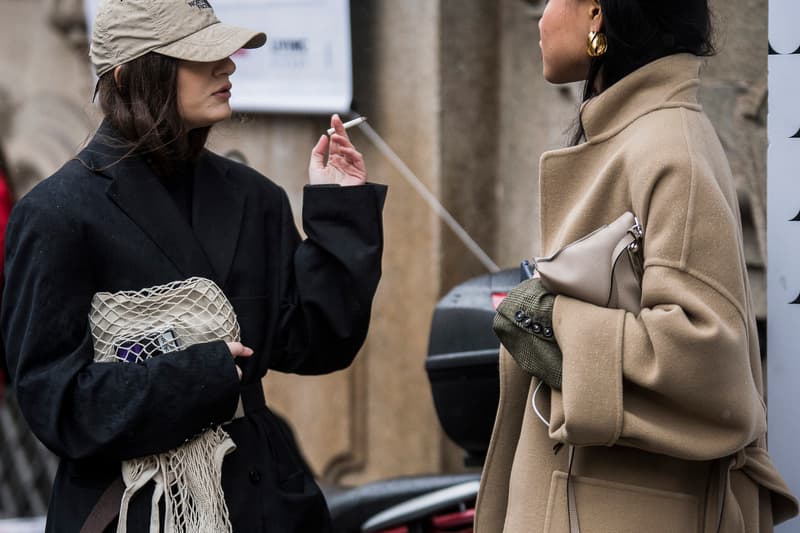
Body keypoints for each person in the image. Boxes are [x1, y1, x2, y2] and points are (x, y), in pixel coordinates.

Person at [0, 0, 386, 531]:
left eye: (225, 54)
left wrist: (340, 213)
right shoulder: (55, 213)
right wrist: (200, 374)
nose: (228, 67)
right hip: (133, 510)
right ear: (132, 73)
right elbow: (56, 405)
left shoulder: (253, 196)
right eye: (200, 58)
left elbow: (318, 342)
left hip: (264, 502)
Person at [475, 1, 798, 532]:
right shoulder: (636, 135)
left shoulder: (669, 149)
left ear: (597, 13)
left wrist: (554, 322)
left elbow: (705, 354)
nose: (541, 16)